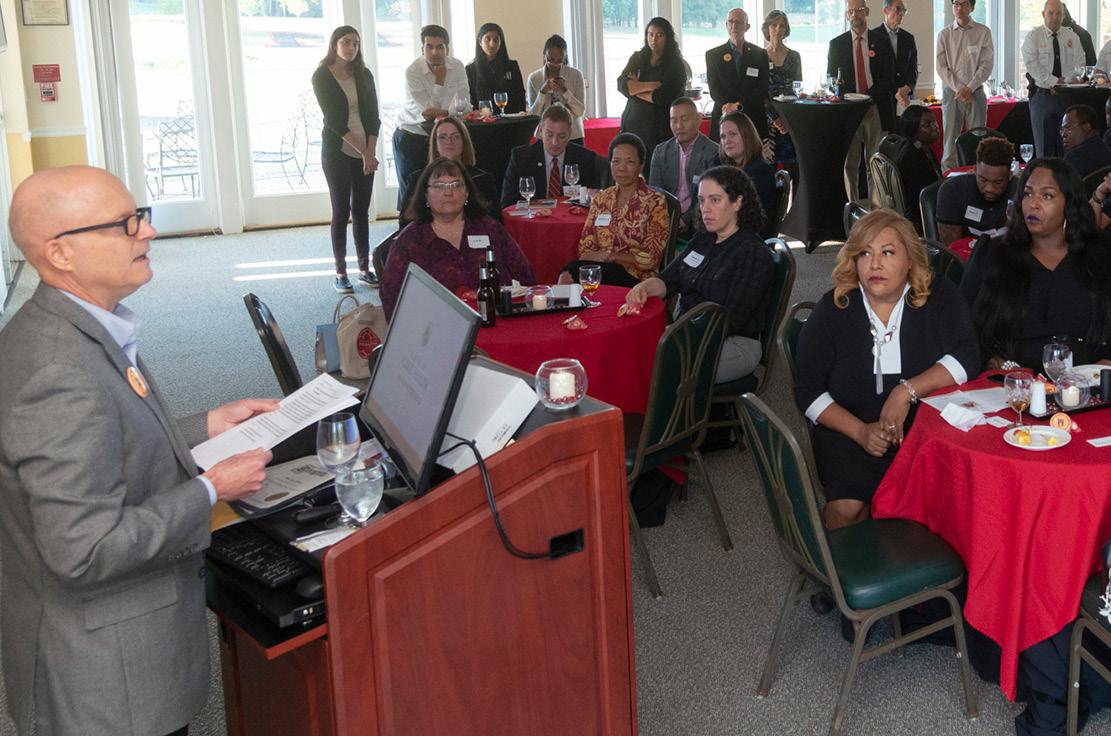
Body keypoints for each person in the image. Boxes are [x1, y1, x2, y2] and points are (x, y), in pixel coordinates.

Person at [0, 166, 276, 736]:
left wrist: (204, 425)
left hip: (102, 656)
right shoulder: (59, 370)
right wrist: (210, 489)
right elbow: (85, 549)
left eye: (141, 217)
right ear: (61, 253)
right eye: (125, 225)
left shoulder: (69, 325)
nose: (147, 234)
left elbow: (102, 439)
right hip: (103, 679)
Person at [794, 208, 979, 528]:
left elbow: (967, 357)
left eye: (888, 252)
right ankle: (847, 574)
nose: (875, 264)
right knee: (847, 509)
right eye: (865, 253)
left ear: (910, 259)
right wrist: (861, 432)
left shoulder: (938, 297)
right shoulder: (834, 309)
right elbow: (807, 390)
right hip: (849, 432)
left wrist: (905, 391)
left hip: (926, 433)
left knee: (960, 502)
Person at [625, 165, 774, 383]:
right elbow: (668, 281)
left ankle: (678, 416)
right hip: (687, 333)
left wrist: (677, 337)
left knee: (657, 367)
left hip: (732, 343)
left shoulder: (753, 252)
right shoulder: (702, 240)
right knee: (634, 352)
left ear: (737, 203)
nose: (705, 209)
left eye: (715, 200)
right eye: (702, 201)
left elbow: (732, 319)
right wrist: (644, 287)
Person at [962, 158, 1111, 370]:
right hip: (1011, 386)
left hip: (1089, 384)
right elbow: (963, 328)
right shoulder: (994, 253)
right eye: (1028, 193)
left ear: (1069, 204)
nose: (1034, 203)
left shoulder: (1101, 253)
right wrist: (990, 360)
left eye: (1047, 195)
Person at [312, 25, 381, 293]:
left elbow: (373, 117)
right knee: (341, 209)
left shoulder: (363, 74)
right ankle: (340, 272)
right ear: (334, 44)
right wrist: (365, 152)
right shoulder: (322, 76)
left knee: (361, 210)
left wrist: (370, 152)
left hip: (366, 147)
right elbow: (334, 123)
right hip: (338, 149)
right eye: (345, 42)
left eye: (355, 43)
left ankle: (364, 268)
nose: (351, 47)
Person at [558, 133, 669, 289]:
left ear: (641, 165)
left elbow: (651, 259)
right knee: (567, 274)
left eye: (629, 162)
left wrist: (611, 256)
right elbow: (584, 249)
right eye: (616, 161)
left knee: (570, 275)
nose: (622, 168)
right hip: (603, 269)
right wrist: (600, 257)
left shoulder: (655, 201)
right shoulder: (601, 198)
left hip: (637, 277)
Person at [394, 25, 471, 208]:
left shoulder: (457, 66)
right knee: (413, 196)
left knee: (441, 190)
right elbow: (427, 113)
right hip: (412, 135)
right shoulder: (412, 72)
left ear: (447, 49)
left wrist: (445, 113)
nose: (435, 52)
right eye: (429, 46)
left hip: (442, 137)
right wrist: (440, 80)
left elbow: (467, 105)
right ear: (422, 49)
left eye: (440, 47)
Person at [828, 0, 897, 202]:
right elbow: (832, 80)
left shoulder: (881, 41)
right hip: (848, 111)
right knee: (849, 163)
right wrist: (854, 101)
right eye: (850, 11)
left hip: (876, 109)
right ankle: (852, 208)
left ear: (866, 12)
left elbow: (888, 78)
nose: (855, 15)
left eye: (858, 10)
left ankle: (877, 209)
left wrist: (867, 100)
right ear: (847, 15)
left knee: (874, 162)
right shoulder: (837, 44)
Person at [400, 117, 500, 226]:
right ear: (435, 144)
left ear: (464, 142)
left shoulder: (483, 179)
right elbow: (405, 222)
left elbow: (496, 223)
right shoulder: (417, 179)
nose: (449, 141)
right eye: (442, 137)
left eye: (455, 137)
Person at [499, 104, 604, 209]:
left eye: (561, 136)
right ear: (540, 132)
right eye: (549, 135)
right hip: (534, 221)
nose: (555, 142)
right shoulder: (521, 157)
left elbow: (593, 202)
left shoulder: (585, 158)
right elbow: (508, 203)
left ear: (570, 134)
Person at [617, 17, 687, 171]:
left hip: (658, 128)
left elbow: (662, 97)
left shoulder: (675, 65)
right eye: (650, 34)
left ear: (667, 37)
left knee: (654, 173)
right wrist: (652, 85)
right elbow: (622, 85)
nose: (654, 39)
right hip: (633, 124)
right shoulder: (638, 58)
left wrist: (635, 88)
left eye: (659, 35)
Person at [936, 0, 994, 171]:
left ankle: (978, 176)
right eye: (956, 4)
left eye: (963, 4)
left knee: (978, 139)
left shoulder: (983, 32)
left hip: (975, 92)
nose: (959, 8)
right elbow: (941, 66)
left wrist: (970, 87)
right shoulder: (944, 34)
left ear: (972, 7)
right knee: (950, 141)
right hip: (951, 93)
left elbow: (986, 64)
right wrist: (958, 88)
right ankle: (948, 179)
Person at [1022, 0, 1084, 159]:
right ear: (1043, 14)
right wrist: (1054, 82)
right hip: (1043, 97)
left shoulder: (1072, 37)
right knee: (1044, 151)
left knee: (1068, 149)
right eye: (1051, 13)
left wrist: (1065, 82)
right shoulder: (1033, 37)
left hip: (1067, 99)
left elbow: (1080, 63)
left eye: (1058, 13)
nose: (1054, 17)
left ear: (1063, 16)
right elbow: (1032, 65)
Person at [648, 97, 718, 236]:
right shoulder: (661, 152)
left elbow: (711, 197)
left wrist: (685, 220)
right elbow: (655, 193)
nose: (679, 125)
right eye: (674, 120)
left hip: (701, 220)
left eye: (684, 119)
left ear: (698, 119)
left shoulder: (713, 152)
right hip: (667, 218)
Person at [706, 8, 771, 142]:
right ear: (726, 25)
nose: (734, 26)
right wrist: (729, 106)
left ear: (747, 27)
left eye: (739, 22)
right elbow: (714, 90)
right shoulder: (713, 55)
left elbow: (762, 89)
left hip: (752, 118)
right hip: (724, 118)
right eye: (731, 22)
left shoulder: (759, 55)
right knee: (724, 162)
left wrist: (738, 105)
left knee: (754, 162)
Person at [935, 136, 1015, 243]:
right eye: (983, 180)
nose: (989, 189)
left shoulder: (1022, 192)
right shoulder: (952, 191)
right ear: (975, 170)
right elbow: (951, 250)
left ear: (1010, 176)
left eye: (998, 182)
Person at [715, 111, 777, 227]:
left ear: (747, 136)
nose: (726, 141)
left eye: (732, 134)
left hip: (749, 238)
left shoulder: (761, 170)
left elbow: (740, 211)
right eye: (723, 136)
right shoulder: (725, 167)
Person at [526, 35, 587, 145]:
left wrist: (564, 91)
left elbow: (580, 111)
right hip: (545, 135)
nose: (555, 63)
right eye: (550, 59)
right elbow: (533, 116)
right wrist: (542, 92)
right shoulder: (534, 78)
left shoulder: (576, 75)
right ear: (544, 55)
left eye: (559, 60)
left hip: (572, 135)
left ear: (565, 57)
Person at [890, 105, 941, 230]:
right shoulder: (911, 158)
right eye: (928, 125)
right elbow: (923, 193)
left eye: (935, 122)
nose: (935, 127)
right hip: (923, 214)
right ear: (913, 129)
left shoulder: (922, 147)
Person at [762, 10, 802, 167]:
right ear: (767, 28)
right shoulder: (759, 56)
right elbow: (759, 91)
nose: (778, 29)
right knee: (767, 167)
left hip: (789, 118)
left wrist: (785, 118)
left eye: (782, 26)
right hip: (767, 118)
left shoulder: (794, 56)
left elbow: (798, 87)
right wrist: (775, 119)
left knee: (793, 166)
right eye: (774, 25)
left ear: (786, 30)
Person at [465, 22, 526, 114]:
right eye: (487, 39)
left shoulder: (512, 66)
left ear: (501, 42)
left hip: (510, 121)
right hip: (483, 122)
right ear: (480, 42)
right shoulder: (471, 70)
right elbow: (470, 99)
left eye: (496, 40)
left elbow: (520, 95)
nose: (492, 44)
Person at [878, 0, 917, 111]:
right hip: (884, 98)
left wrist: (907, 87)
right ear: (886, 10)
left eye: (904, 10)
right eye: (898, 9)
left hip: (906, 97)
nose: (901, 13)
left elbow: (913, 68)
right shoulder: (874, 37)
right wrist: (895, 91)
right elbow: (875, 72)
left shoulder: (908, 38)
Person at [1061, 104, 1111, 178]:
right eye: (1062, 129)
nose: (1063, 134)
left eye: (1067, 127)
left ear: (1086, 127)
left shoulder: (1074, 158)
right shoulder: (1108, 152)